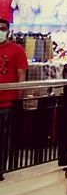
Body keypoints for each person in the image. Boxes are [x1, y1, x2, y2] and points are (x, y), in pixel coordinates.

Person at [0, 18, 27, 171]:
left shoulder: (17, 50)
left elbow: (21, 75)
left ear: (8, 31)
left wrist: (19, 99)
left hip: (7, 102)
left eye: (2, 29)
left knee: (3, 139)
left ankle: (1, 169)